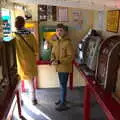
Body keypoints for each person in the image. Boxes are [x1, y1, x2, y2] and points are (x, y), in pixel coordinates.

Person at [14, 16, 38, 105]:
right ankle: (33, 99)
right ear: (24, 23)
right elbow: (36, 49)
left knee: (19, 82)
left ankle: (20, 100)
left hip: (19, 63)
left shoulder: (14, 36)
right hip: (30, 62)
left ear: (15, 25)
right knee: (31, 81)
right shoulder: (30, 35)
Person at [51, 24, 74, 111]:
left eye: (61, 30)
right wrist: (52, 59)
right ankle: (62, 99)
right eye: (57, 30)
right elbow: (52, 52)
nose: (59, 32)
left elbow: (71, 56)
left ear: (64, 32)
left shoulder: (68, 43)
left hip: (65, 67)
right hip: (59, 67)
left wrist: (60, 61)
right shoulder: (56, 41)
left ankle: (63, 103)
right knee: (61, 84)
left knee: (63, 85)